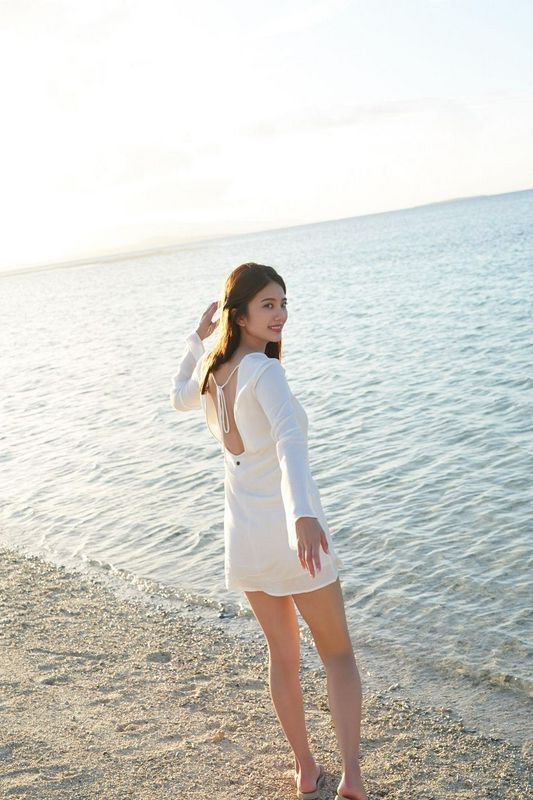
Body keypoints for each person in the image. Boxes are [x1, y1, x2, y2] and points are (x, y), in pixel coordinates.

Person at [170, 262, 368, 800]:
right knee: (338, 655)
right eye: (268, 305)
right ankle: (351, 778)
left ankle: (305, 769)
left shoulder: (213, 373)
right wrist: (303, 514)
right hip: (289, 533)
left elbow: (178, 395)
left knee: (283, 654)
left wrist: (196, 340)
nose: (280, 315)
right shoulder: (264, 371)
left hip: (245, 539)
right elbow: (289, 443)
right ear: (240, 315)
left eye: (283, 304)